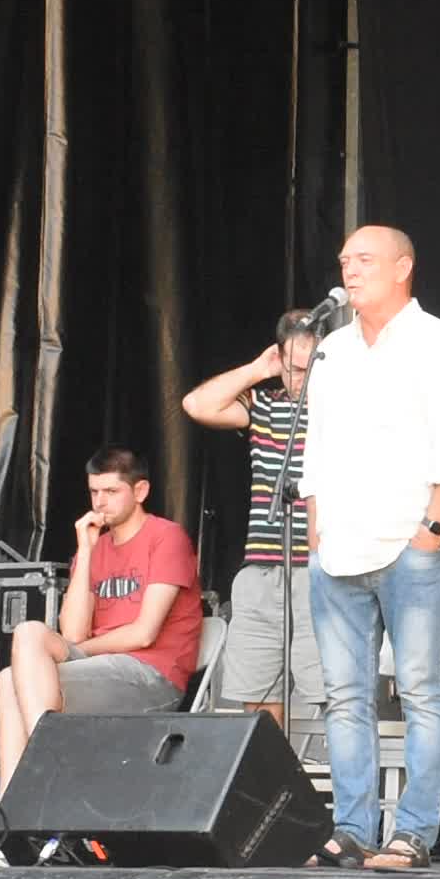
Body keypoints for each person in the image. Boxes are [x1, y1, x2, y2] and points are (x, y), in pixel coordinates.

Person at [299, 225, 440, 869]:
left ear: (403, 268)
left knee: (421, 693)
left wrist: (429, 536)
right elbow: (316, 451)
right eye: (344, 261)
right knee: (346, 697)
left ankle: (413, 834)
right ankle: (351, 829)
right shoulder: (332, 350)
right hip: (340, 554)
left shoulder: (437, 342)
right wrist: (317, 536)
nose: (349, 271)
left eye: (365, 260)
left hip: (414, 549)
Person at [0, 446, 204, 791]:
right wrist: (87, 552)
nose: (100, 502)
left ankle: (43, 768)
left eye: (111, 491)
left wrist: (80, 650)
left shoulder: (166, 537)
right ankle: (10, 805)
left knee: (16, 679)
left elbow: (144, 633)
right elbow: (73, 632)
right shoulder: (95, 548)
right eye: (94, 492)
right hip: (99, 666)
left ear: (140, 491)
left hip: (150, 674)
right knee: (15, 658)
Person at [181, 309, 324, 726]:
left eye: (311, 367)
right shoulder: (265, 404)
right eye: (294, 368)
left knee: (332, 695)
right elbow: (196, 404)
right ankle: (272, 772)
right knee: (258, 701)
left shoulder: (345, 411)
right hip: (261, 571)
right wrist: (257, 370)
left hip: (322, 570)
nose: (302, 379)